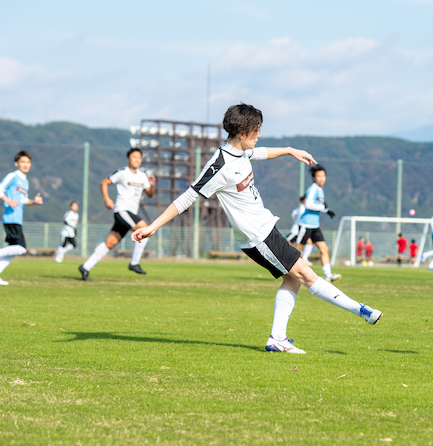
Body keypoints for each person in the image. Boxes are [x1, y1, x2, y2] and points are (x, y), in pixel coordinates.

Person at [131, 103, 382, 354]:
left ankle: (278, 338)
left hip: (264, 229)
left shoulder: (240, 152)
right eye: (257, 130)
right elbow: (188, 196)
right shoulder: (219, 164)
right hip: (257, 236)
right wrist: (153, 226)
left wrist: (290, 150)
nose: (259, 134)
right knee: (306, 275)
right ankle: (360, 310)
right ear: (242, 133)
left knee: (292, 280)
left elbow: (259, 153)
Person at [78, 148, 156, 281]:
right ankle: (134, 263)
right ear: (128, 159)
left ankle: (85, 267)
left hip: (131, 214)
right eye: (134, 157)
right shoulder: (123, 173)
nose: (137, 159)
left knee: (110, 243)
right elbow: (105, 182)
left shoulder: (143, 176)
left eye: (139, 157)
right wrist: (107, 199)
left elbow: (149, 194)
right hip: (122, 211)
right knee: (146, 230)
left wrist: (152, 185)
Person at [0, 150, 43, 285]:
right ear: (16, 163)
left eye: (28, 162)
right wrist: (8, 200)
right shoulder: (13, 176)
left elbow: (23, 200)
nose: (26, 164)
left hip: (18, 218)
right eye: (22, 162)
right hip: (10, 218)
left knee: (12, 251)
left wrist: (34, 202)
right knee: (21, 248)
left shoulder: (25, 182)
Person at [295, 164, 341, 282]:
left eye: (323, 176)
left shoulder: (320, 190)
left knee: (324, 249)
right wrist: (322, 207)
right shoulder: (313, 188)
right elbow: (308, 204)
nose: (321, 178)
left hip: (315, 226)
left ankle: (328, 275)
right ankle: (284, 271)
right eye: (318, 176)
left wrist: (327, 210)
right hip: (306, 225)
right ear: (314, 178)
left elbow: (318, 206)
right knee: (296, 251)